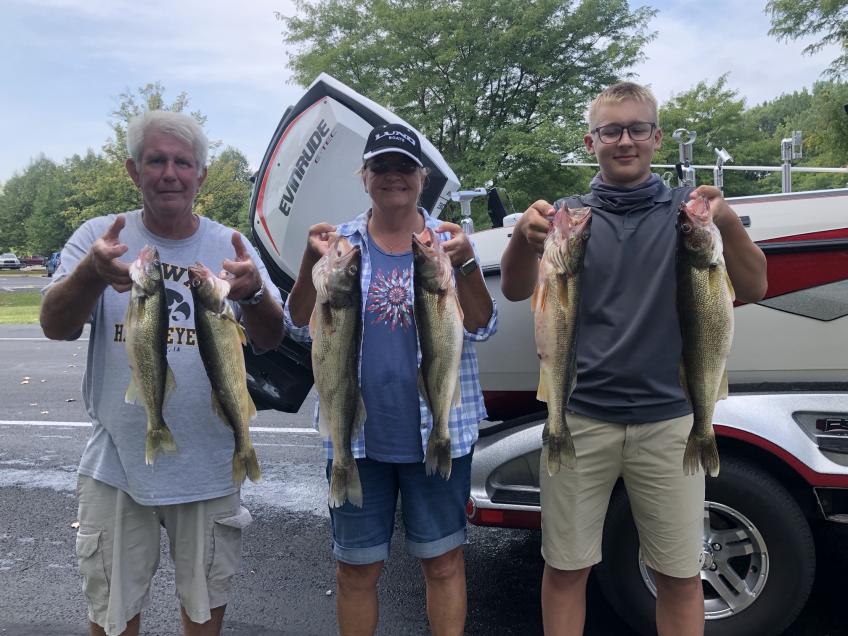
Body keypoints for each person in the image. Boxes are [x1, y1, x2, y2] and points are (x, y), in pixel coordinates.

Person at [500, 82, 767, 636]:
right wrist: (520, 242)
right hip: (578, 417)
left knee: (678, 574)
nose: (625, 141)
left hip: (671, 421)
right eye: (611, 131)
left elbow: (756, 286)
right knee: (566, 566)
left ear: (656, 136)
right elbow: (514, 288)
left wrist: (728, 221)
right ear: (591, 141)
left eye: (637, 128)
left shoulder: (685, 215)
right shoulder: (566, 218)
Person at [40, 110, 284, 636]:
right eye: (156, 161)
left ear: (201, 173)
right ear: (133, 170)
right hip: (116, 468)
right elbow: (55, 326)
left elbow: (271, 337)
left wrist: (256, 293)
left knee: (204, 613)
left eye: (182, 162)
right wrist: (90, 274)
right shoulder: (100, 238)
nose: (169, 173)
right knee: (111, 616)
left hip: (211, 465)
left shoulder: (231, 246)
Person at [285, 123, 497, 636]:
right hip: (356, 439)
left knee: (443, 563)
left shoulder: (446, 243)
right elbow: (297, 319)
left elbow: (483, 325)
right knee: (355, 569)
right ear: (364, 177)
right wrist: (310, 263)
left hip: (438, 429)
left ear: (422, 177)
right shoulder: (342, 244)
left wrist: (465, 263)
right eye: (381, 166)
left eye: (404, 167)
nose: (393, 177)